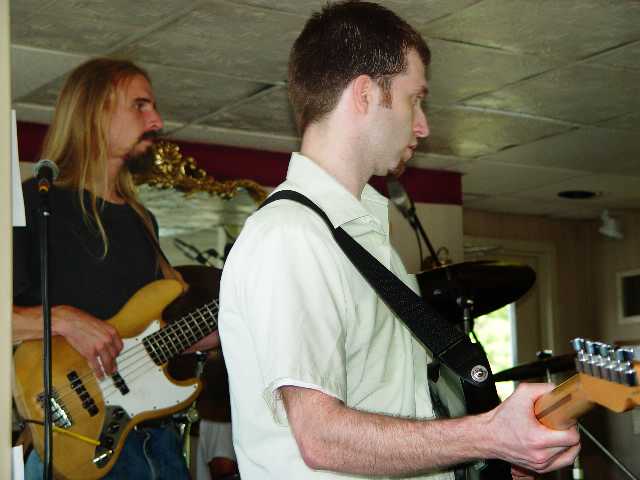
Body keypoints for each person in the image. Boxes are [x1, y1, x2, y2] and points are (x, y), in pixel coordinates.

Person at [218, 2, 580, 479]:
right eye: (415, 99)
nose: (423, 125)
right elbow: (320, 437)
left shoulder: (362, 241)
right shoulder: (291, 234)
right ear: (365, 94)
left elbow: (392, 411)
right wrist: (488, 434)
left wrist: (482, 457)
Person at [13, 57, 219, 479]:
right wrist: (62, 320)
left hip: (156, 445)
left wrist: (199, 340)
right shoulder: (35, 202)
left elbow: (142, 337)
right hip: (74, 443)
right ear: (94, 111)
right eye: (140, 106)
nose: (157, 121)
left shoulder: (142, 220)